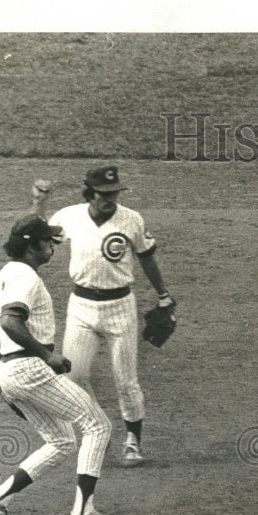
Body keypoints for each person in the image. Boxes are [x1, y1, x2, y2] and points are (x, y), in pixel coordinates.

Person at [0, 215, 122, 515]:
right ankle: (83, 512)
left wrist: (4, 378)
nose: (52, 246)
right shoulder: (25, 279)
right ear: (31, 245)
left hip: (10, 370)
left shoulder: (2, 276)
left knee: (61, 441)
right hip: (30, 368)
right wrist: (47, 355)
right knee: (98, 425)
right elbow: (8, 323)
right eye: (47, 241)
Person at [48, 165, 175, 466]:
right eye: (104, 194)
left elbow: (147, 259)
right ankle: (98, 428)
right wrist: (39, 201)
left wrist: (163, 295)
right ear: (89, 194)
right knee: (72, 376)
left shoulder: (131, 219)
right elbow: (41, 235)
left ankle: (133, 442)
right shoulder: (70, 216)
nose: (110, 199)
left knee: (125, 381)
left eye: (114, 193)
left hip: (120, 308)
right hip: (80, 305)